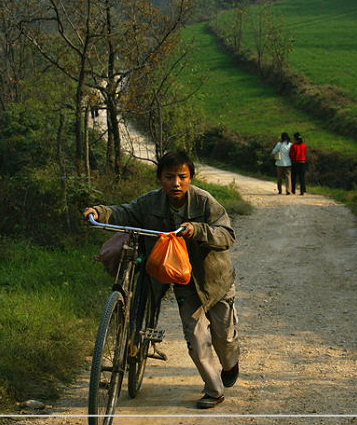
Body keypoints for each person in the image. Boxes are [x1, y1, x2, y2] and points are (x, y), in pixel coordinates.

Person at [82, 151, 239, 409]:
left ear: (190, 178)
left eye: (181, 177)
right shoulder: (151, 203)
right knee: (196, 339)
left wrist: (197, 230)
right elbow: (125, 211)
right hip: (183, 281)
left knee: (224, 338)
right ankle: (214, 390)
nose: (175, 183)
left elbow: (227, 235)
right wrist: (99, 212)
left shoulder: (204, 202)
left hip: (214, 280)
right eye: (169, 177)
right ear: (160, 179)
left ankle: (230, 365)